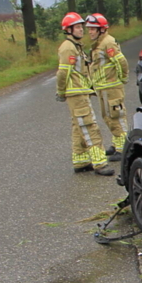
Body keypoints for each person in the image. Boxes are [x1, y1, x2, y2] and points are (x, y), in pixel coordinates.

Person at [56, 12, 114, 176]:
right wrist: (61, 92)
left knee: (78, 127)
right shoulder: (68, 48)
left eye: (81, 27)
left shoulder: (75, 46)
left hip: (81, 92)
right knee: (90, 127)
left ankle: (80, 161)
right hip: (77, 95)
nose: (82, 30)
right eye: (78, 27)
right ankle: (99, 163)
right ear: (69, 30)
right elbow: (63, 73)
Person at [85, 13, 129, 161]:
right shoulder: (99, 43)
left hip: (111, 88)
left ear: (102, 29)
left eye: (93, 29)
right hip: (103, 88)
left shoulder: (108, 43)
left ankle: (123, 149)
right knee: (108, 117)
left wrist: (122, 78)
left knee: (116, 117)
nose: (90, 31)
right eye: (89, 29)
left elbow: (121, 61)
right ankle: (117, 144)